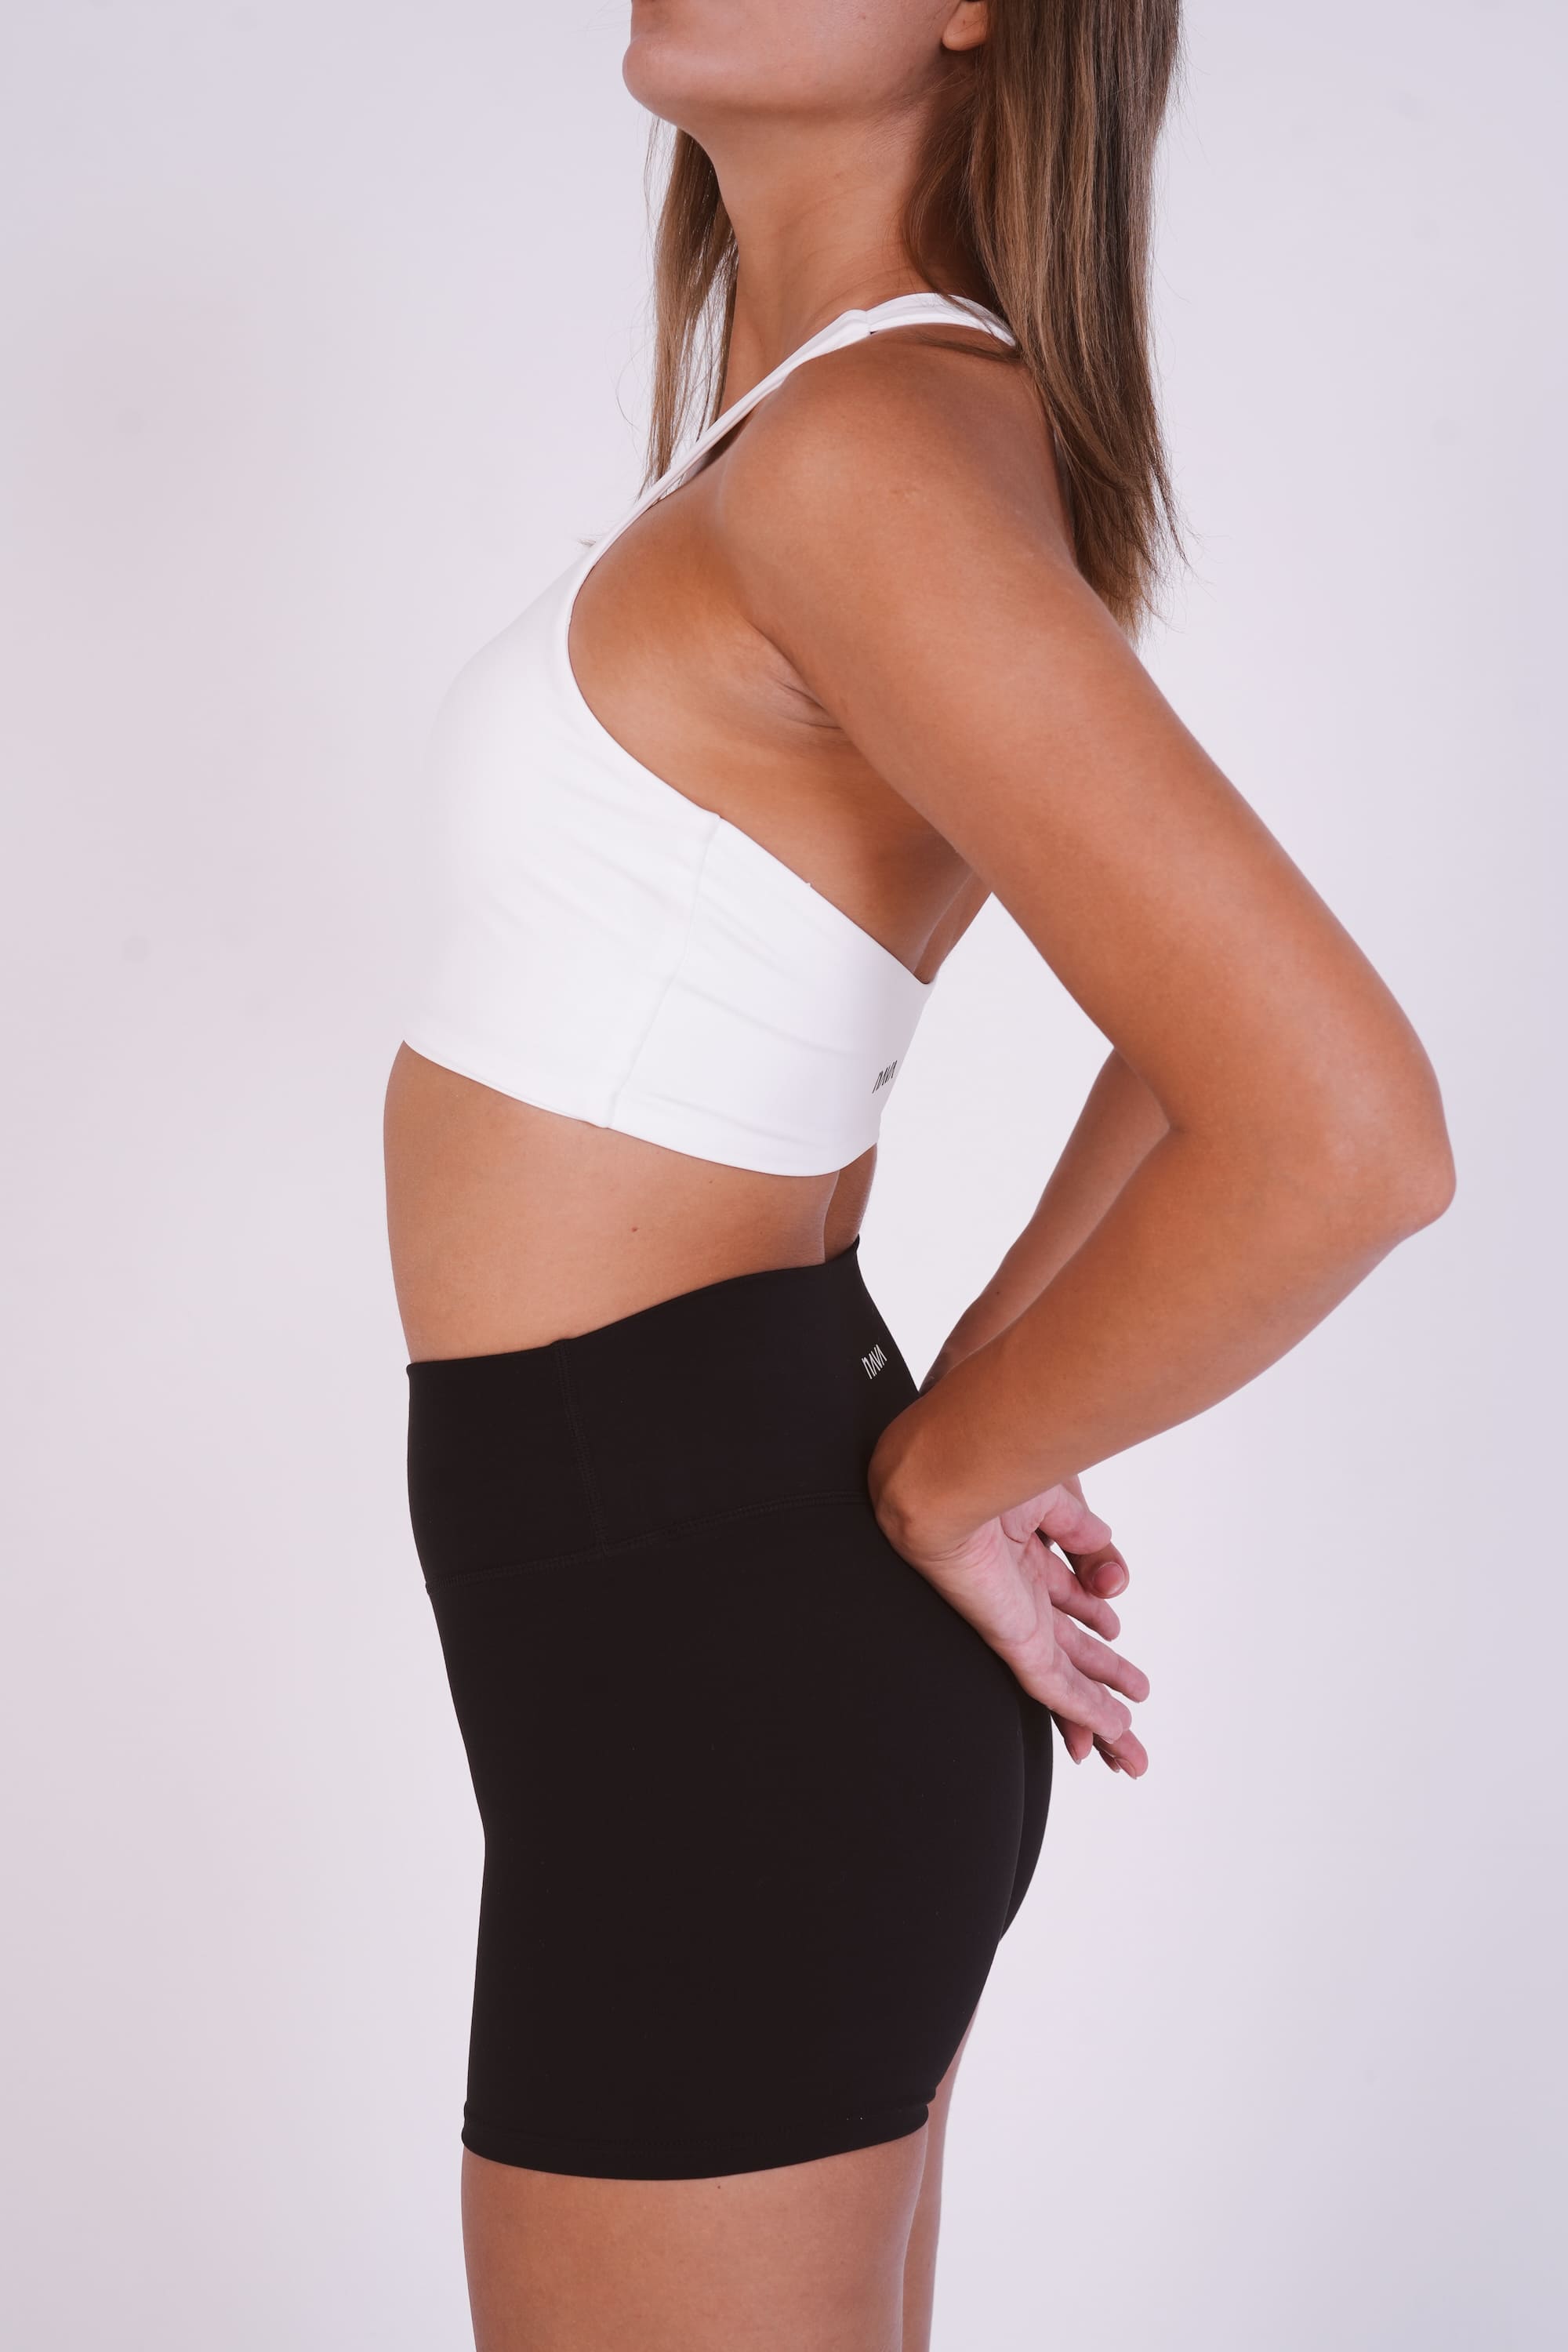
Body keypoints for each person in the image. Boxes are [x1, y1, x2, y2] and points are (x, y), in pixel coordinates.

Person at [382, 3, 1454, 2344]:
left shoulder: (868, 445)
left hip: (713, 1645)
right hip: (684, 1614)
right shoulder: (852, 423)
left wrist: (957, 1459)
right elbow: (1197, 1034)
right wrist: (963, 1418)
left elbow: (1337, 1124)